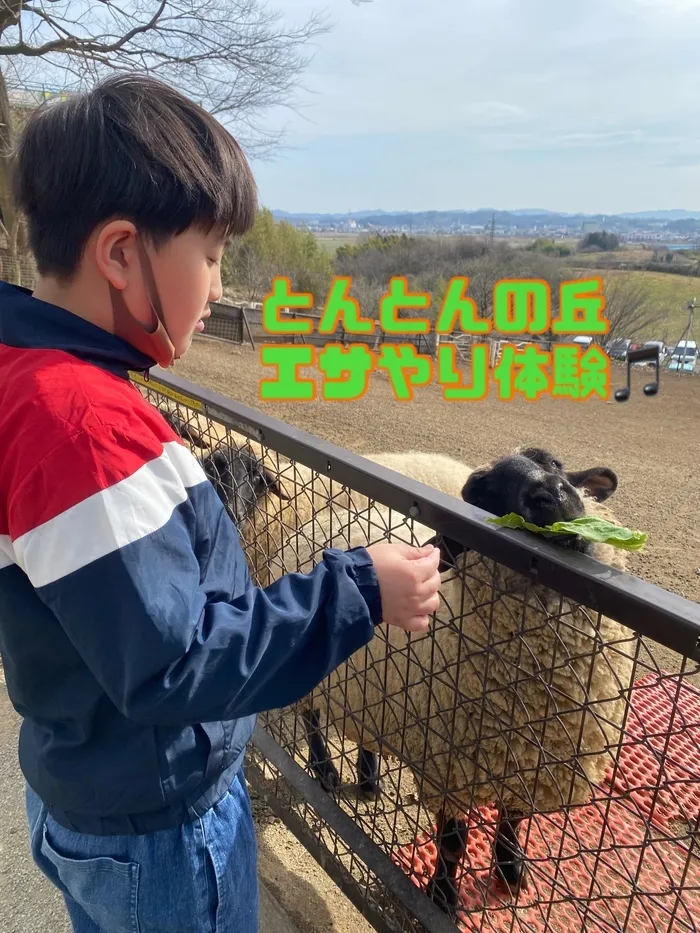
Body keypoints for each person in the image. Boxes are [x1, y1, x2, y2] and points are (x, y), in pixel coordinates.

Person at [0, 74, 442, 933]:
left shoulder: (31, 379)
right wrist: (359, 588)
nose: (217, 283)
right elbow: (173, 662)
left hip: (91, 786)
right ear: (122, 254)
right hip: (158, 826)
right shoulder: (83, 424)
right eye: (210, 254)